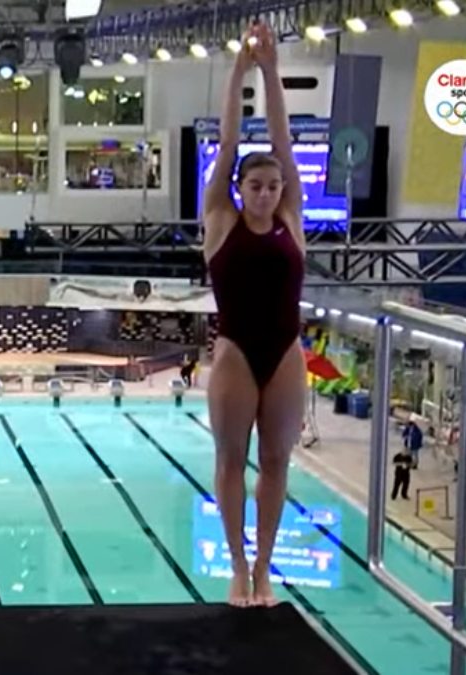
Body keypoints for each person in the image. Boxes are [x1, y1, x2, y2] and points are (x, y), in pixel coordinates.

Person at [203, 23, 306, 607]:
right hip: (236, 350)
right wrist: (242, 70)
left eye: (273, 186)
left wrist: (273, 70)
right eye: (257, 185)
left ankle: (265, 570)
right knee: (229, 460)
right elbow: (226, 141)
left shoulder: (291, 220)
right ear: (240, 189)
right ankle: (238, 568)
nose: (266, 193)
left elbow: (284, 143)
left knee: (275, 460)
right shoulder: (221, 220)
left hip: (286, 350)